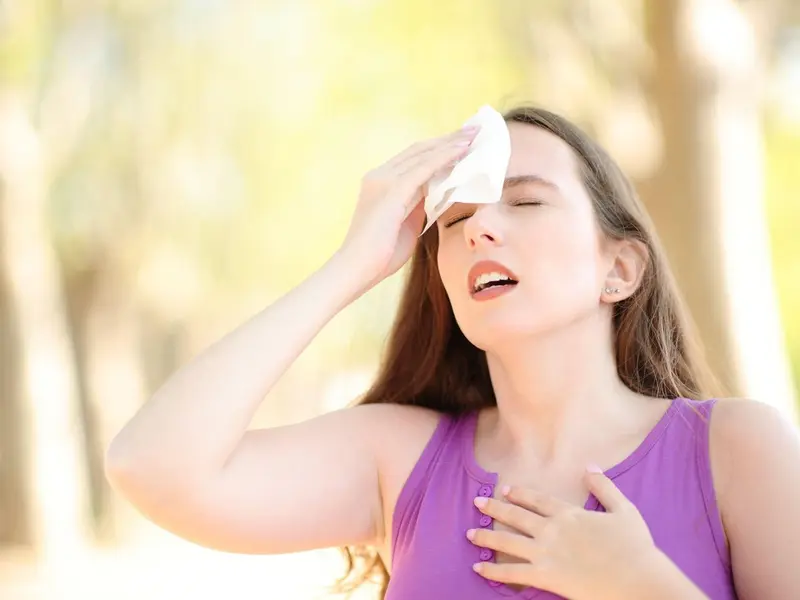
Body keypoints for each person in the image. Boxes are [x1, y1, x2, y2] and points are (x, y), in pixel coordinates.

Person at [105, 106, 800, 600]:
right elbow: (152, 465)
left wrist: (642, 590)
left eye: (524, 202)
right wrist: (352, 266)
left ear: (618, 268)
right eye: (457, 218)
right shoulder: (400, 459)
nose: (479, 230)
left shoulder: (737, 447)